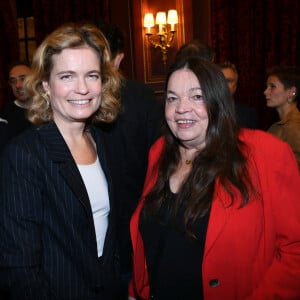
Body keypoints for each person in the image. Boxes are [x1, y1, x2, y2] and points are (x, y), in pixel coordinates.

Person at [128, 57, 300, 300]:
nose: (181, 108)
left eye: (197, 96)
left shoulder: (266, 153)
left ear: (218, 101)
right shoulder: (159, 152)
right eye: (172, 98)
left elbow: (295, 250)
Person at [0, 22, 123, 299]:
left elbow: (109, 235)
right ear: (45, 85)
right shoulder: (25, 154)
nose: (82, 88)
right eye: (67, 76)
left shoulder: (100, 141)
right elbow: (20, 268)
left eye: (92, 75)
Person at [97, 22, 164, 298]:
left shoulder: (75, 99)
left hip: (109, 229)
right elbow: (160, 158)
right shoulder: (144, 97)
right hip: (138, 219)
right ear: (120, 57)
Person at [264, 65, 300, 168]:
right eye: (267, 87)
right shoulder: (284, 124)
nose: (265, 92)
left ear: (292, 92)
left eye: (272, 86)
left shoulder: (294, 126)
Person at [219, 61, 258, 129]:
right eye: (221, 80)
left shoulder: (248, 114)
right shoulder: (202, 110)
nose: (224, 84)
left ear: (236, 85)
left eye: (229, 81)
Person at [0, 61, 32, 137]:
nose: (17, 85)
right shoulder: (4, 116)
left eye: (23, 79)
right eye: (13, 81)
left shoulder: (52, 108)